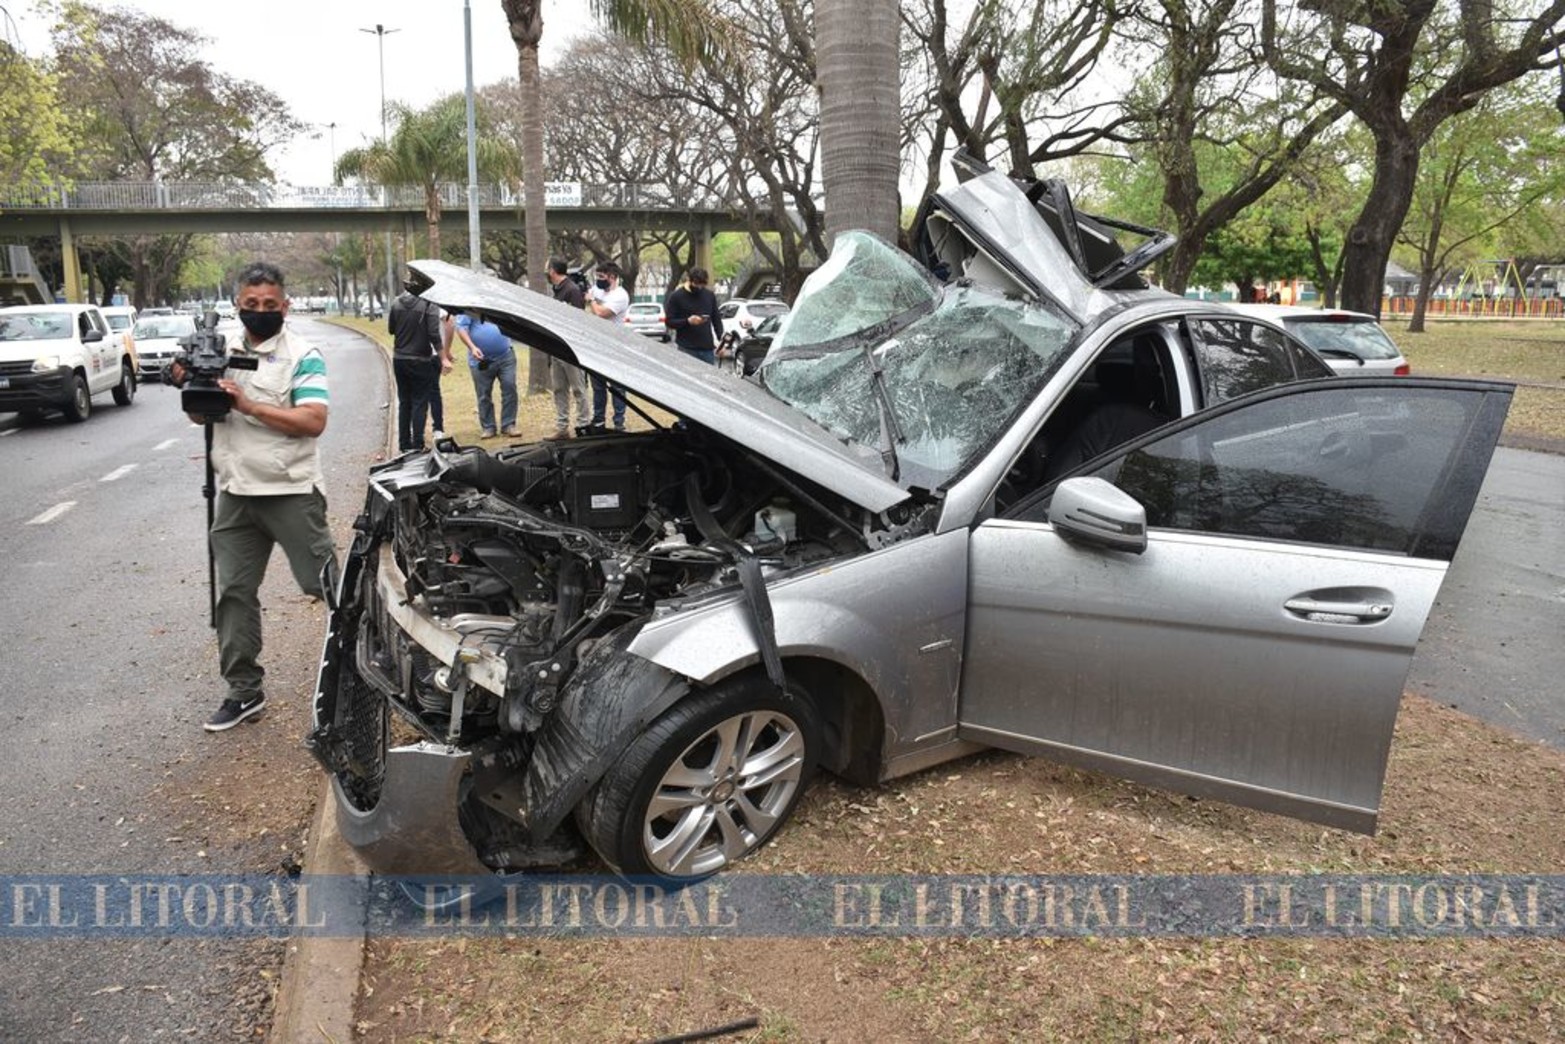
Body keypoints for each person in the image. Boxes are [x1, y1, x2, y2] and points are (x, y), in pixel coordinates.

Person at [168, 261, 335, 733]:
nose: (260, 311)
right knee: (234, 594)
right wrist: (191, 384)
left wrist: (249, 404)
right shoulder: (218, 350)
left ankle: (369, 663)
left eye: (269, 304)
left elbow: (313, 420)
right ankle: (243, 691)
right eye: (251, 303)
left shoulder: (303, 354)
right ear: (237, 304)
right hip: (236, 493)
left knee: (326, 587)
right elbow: (203, 417)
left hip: (290, 491)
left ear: (285, 306)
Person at [388, 278, 449, 452]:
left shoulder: (396, 303)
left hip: (399, 359)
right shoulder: (430, 304)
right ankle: (417, 444)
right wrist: (443, 356)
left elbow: (391, 329)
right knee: (419, 402)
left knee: (404, 401)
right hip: (420, 359)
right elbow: (434, 334)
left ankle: (404, 444)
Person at [447, 309, 517, 438]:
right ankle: (489, 427)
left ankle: (508, 424)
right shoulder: (470, 307)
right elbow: (461, 328)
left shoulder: (499, 304)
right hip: (481, 360)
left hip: (505, 355)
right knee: (484, 394)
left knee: (510, 387)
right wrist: (472, 347)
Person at [544, 257, 590, 440]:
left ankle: (583, 425)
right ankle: (562, 428)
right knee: (559, 389)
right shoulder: (556, 290)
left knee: (578, 389)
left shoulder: (572, 290)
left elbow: (579, 320)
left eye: (547, 268)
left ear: (553, 270)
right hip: (557, 348)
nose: (546, 272)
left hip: (571, 351)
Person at [584, 261, 631, 431]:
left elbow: (601, 313)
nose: (599, 280)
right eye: (597, 276)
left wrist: (591, 301)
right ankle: (599, 421)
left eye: (602, 277)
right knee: (598, 387)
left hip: (614, 347)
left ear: (612, 277)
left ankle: (619, 422)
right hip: (596, 345)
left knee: (617, 387)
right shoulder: (597, 290)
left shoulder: (620, 295)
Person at [664, 267, 725, 365]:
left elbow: (716, 320)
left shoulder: (709, 295)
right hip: (686, 348)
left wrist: (721, 344)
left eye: (702, 285)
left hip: (707, 348)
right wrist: (687, 321)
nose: (699, 287)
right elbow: (669, 321)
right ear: (689, 280)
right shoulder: (676, 296)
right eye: (696, 284)